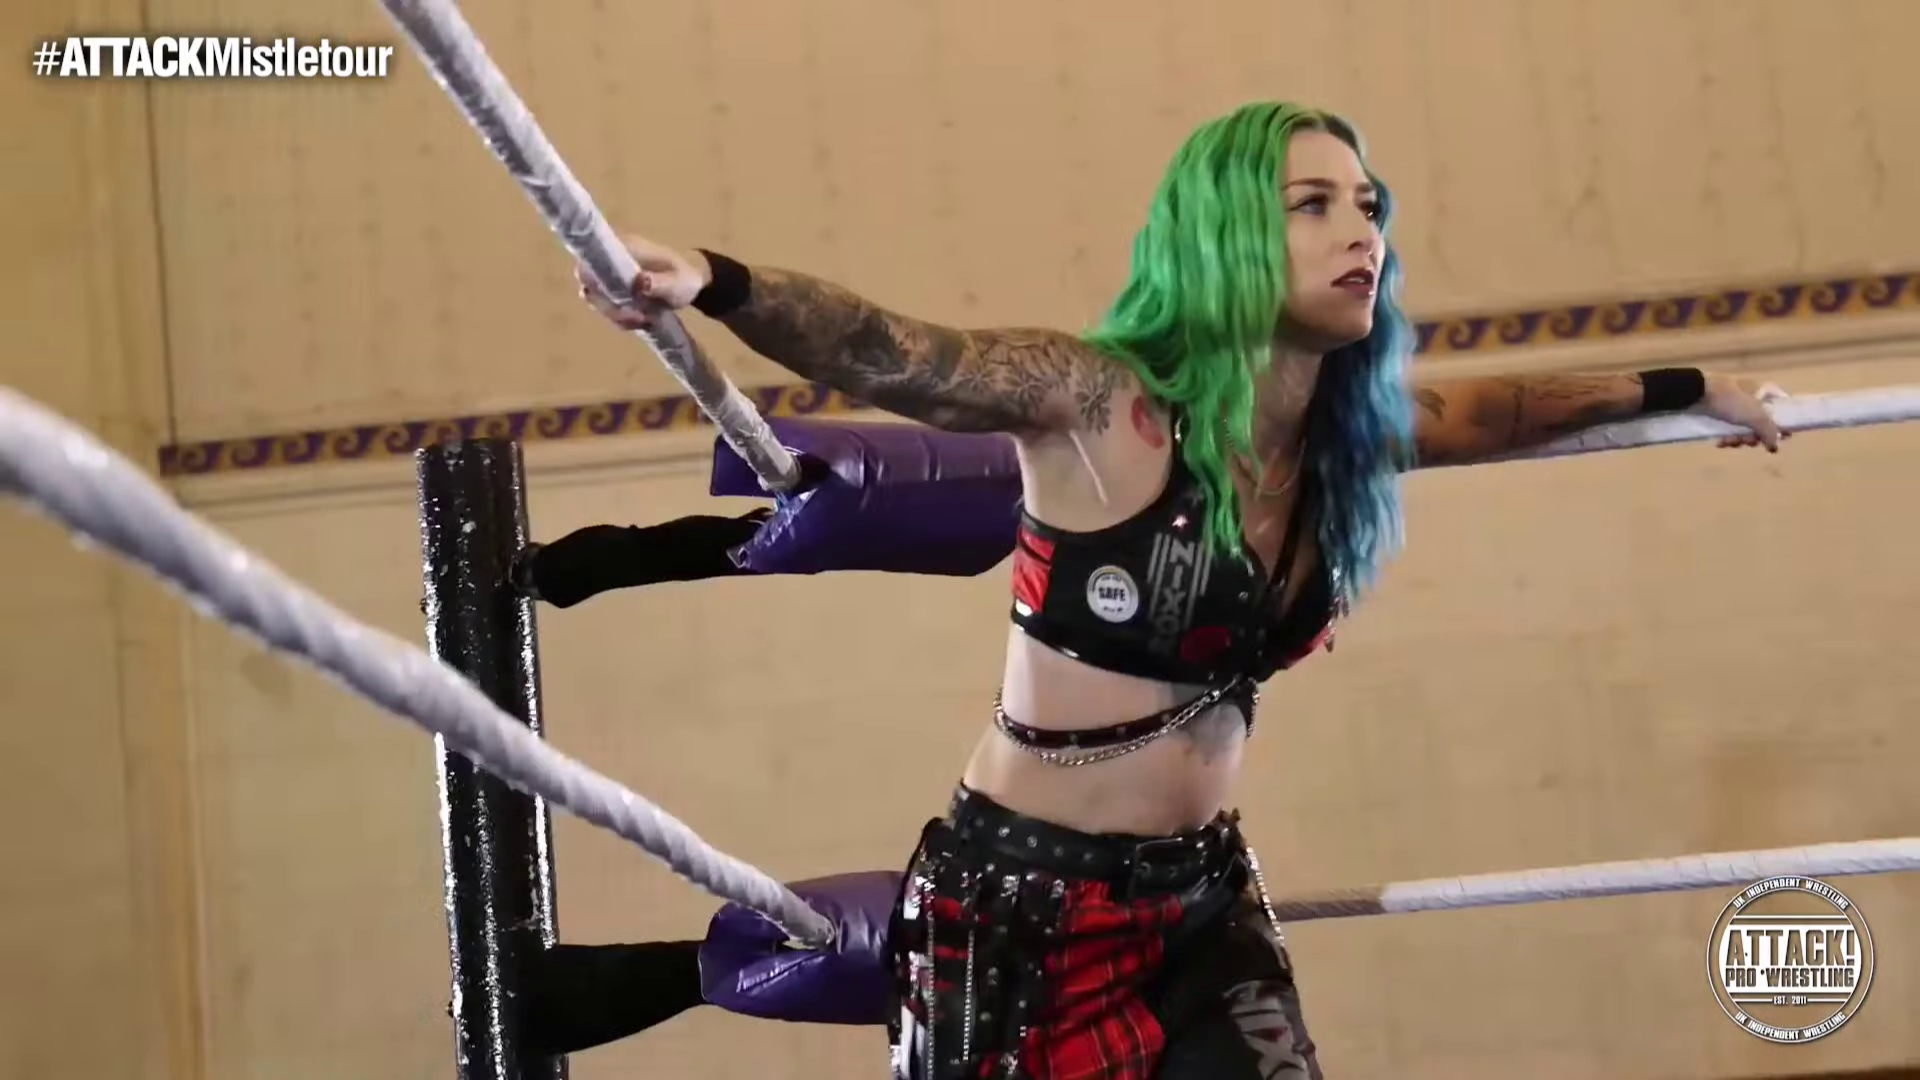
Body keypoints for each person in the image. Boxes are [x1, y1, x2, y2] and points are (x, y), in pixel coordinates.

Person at [563, 101, 1785, 1078]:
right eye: (1314, 205)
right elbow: (899, 355)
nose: (1362, 231)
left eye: (1369, 206)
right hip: (1017, 907)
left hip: (1201, 897)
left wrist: (1697, 389)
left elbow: (1509, 410)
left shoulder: (1349, 437)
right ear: (1225, 232)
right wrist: (714, 280)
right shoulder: (1100, 405)